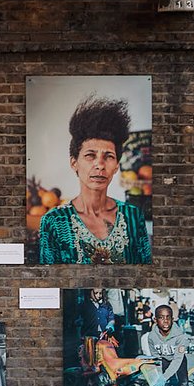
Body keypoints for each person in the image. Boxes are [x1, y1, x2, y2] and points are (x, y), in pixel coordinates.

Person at [37, 96, 151, 264]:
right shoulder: (54, 221)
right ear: (74, 163)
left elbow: (147, 278)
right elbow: (48, 285)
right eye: (90, 155)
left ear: (116, 166)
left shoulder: (133, 216)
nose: (100, 165)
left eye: (109, 156)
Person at [142, 304, 191, 386]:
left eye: (168, 317)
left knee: (183, 381)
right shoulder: (151, 337)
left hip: (178, 359)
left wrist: (165, 377)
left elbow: (178, 359)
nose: (165, 321)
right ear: (155, 319)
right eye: (161, 317)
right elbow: (156, 356)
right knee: (160, 383)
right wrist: (160, 375)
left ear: (172, 319)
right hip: (163, 359)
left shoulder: (180, 337)